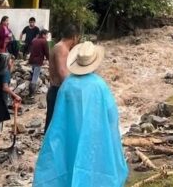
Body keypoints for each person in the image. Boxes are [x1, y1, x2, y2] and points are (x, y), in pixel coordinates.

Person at [33, 41, 128, 187]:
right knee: (94, 166)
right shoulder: (100, 85)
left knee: (69, 164)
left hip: (70, 136)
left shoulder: (67, 85)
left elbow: (59, 117)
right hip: (94, 136)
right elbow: (111, 115)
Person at [46, 25, 80, 131]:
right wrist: (73, 91)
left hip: (56, 90)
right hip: (58, 91)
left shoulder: (58, 46)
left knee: (53, 124)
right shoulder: (62, 49)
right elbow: (62, 72)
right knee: (55, 127)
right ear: (75, 37)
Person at [28, 29, 50, 96]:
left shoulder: (34, 40)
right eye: (47, 35)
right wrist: (49, 60)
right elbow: (47, 52)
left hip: (32, 60)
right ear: (43, 35)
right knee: (34, 78)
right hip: (38, 61)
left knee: (33, 76)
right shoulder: (44, 41)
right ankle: (31, 95)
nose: (47, 36)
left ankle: (30, 91)